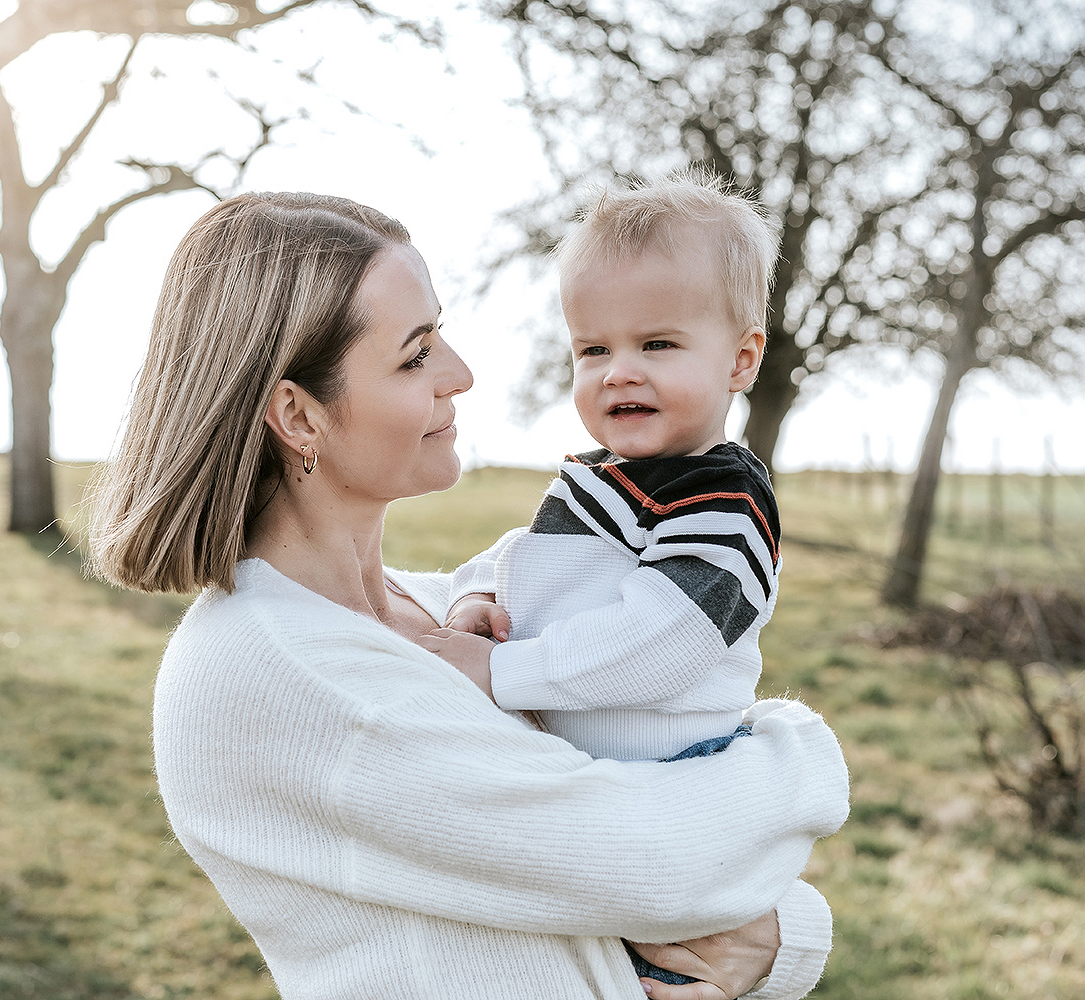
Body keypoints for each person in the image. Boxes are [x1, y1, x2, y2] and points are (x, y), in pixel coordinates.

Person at [88, 191, 849, 1000]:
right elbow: (661, 865)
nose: (462, 373)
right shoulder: (285, 673)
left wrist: (774, 944)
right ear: (298, 416)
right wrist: (804, 756)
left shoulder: (447, 608)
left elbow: (660, 887)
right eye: (416, 355)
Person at [420, 175, 797, 986]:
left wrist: (500, 671)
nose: (619, 372)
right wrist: (476, 595)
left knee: (662, 970)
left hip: (666, 785)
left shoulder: (719, 497)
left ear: (741, 358)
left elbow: (662, 640)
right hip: (594, 781)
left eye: (657, 345)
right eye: (594, 349)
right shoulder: (602, 478)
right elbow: (528, 552)